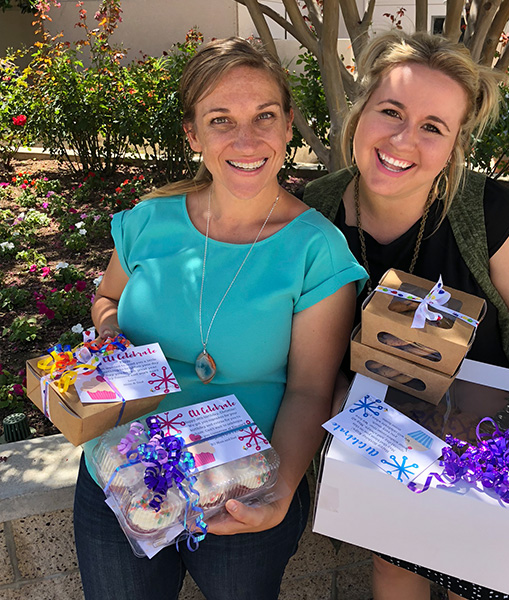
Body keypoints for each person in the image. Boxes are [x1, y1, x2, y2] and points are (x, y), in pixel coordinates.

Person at [74, 37, 366, 600]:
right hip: (122, 472)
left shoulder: (316, 250)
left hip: (243, 487)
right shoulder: (146, 223)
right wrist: (112, 345)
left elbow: (310, 389)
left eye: (265, 117)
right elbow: (106, 300)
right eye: (220, 120)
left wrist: (280, 493)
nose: (246, 139)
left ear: (287, 128)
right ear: (194, 135)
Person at [303, 30, 509, 600]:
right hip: (380, 447)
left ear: (453, 144)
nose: (404, 139)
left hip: (488, 448)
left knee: (478, 581)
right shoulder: (312, 214)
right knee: (394, 567)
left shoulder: (498, 222)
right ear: (360, 113)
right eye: (391, 111)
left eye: (433, 127)